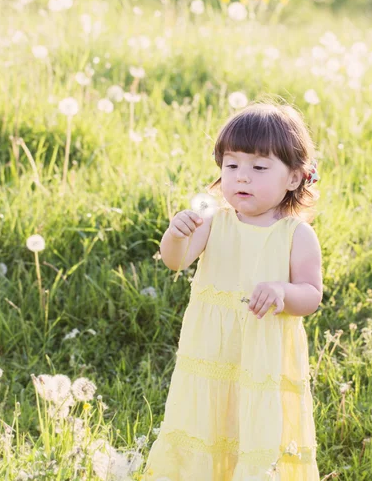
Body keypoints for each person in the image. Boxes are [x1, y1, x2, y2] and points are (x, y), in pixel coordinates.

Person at [142, 100, 323, 480]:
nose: (242, 177)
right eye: (232, 165)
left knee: (254, 426)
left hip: (263, 357)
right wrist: (175, 235)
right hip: (211, 351)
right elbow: (177, 261)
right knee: (208, 422)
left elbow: (311, 294)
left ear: (293, 178)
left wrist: (282, 291)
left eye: (258, 167)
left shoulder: (296, 235)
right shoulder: (214, 222)